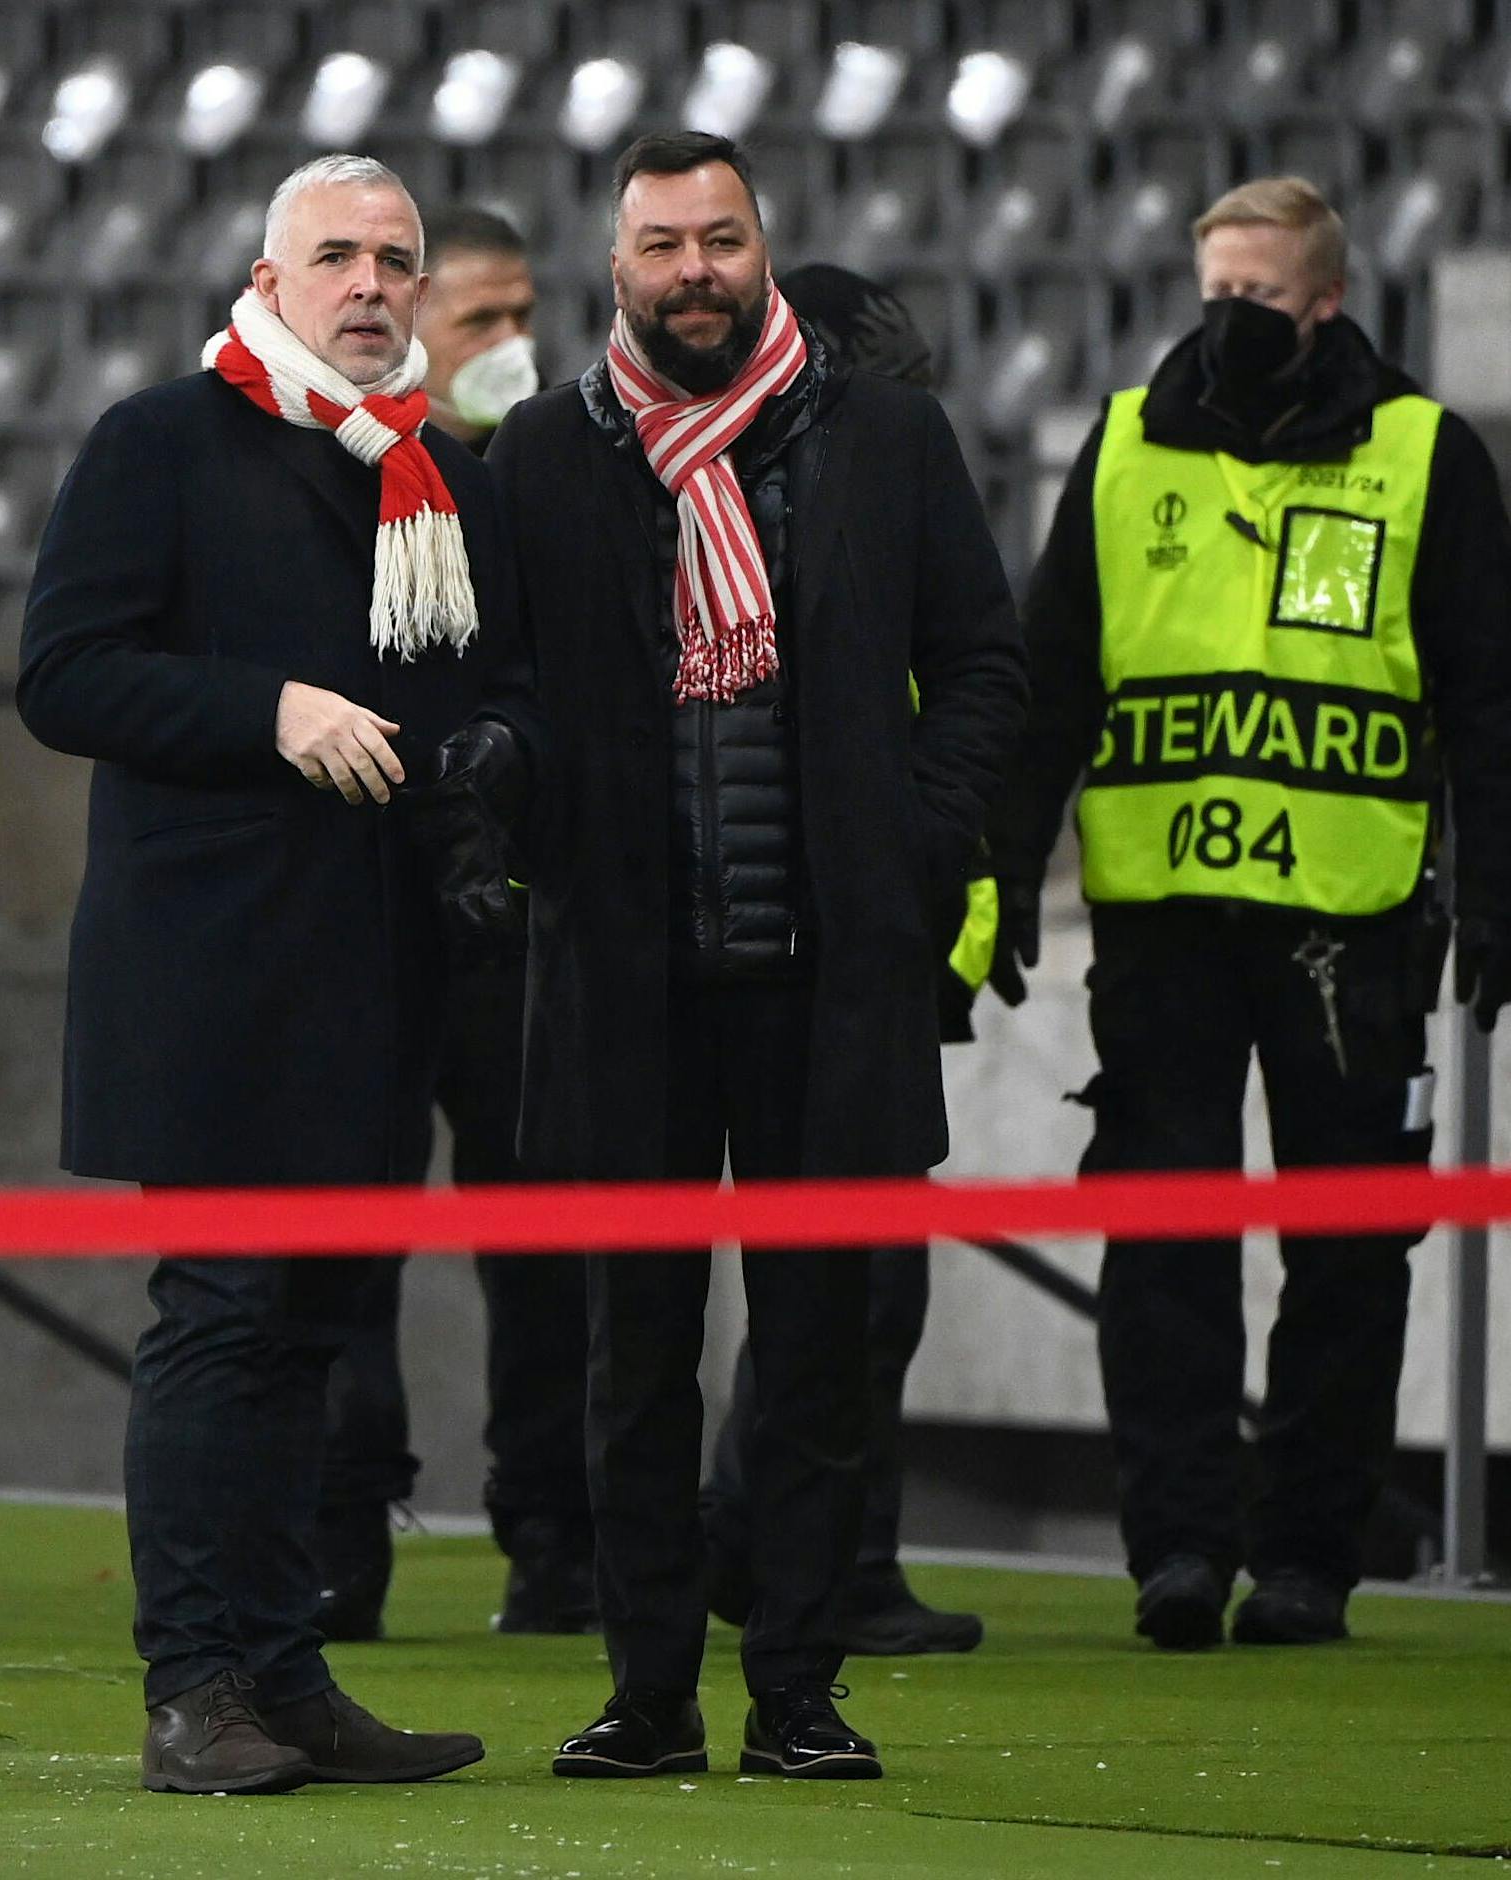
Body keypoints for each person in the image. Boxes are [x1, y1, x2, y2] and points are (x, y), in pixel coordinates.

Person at [488, 133, 1026, 1779]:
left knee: (814, 1360)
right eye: (663, 244)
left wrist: (916, 839)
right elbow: (495, 689)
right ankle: (649, 1695)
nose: (695, 272)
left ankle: (798, 1690)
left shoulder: (887, 436)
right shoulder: (543, 453)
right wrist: (510, 817)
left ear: (763, 248)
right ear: (616, 267)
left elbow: (985, 664)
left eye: (720, 239)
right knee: (634, 1365)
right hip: (627, 988)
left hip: (826, 979)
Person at [17, 154, 539, 1796]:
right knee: (227, 1315)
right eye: (337, 256)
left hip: (382, 973)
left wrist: (503, 748)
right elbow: (63, 672)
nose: (370, 284)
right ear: (269, 280)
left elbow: (495, 686)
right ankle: (194, 1690)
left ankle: (288, 1678)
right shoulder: (158, 441)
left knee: (321, 1328)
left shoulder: (444, 478)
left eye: (394, 258)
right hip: (213, 974)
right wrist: (271, 710)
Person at [988, 176, 1511, 1651]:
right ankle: (1177, 1548)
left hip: (1355, 918)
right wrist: (1006, 862)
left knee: (1349, 1246)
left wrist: (1495, 881)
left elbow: (1489, 696)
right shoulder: (1125, 445)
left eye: (1261, 298)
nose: (1231, 319)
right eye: (1215, 292)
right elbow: (1049, 681)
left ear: (1327, 302)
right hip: (1162, 915)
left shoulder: (1423, 455)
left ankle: (1307, 1560)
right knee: (1164, 1238)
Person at [315, 204, 597, 1643]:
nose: (514, 346)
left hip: (514, 920)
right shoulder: (338, 469)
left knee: (544, 1243)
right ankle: (340, 1537)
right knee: (348, 1241)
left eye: (524, 316)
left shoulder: (563, 471)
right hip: (365, 912)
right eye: (483, 319)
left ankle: (553, 1538)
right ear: (413, 317)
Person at [699, 262, 987, 1661]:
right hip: (833, 945)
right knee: (849, 1287)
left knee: (845, 1285)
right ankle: (812, 1560)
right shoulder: (820, 505)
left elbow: (962, 697)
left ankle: (764, 1544)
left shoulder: (838, 491)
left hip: (880, 935)